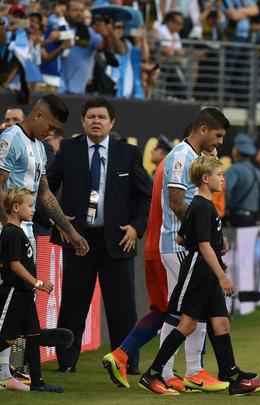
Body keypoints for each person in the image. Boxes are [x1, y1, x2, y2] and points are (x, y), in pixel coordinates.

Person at [140, 155, 260, 396]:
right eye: (219, 175)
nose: (223, 179)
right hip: (200, 270)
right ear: (205, 178)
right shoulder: (202, 206)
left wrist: (214, 243)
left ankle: (231, 374)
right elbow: (202, 245)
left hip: (208, 270)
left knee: (221, 322)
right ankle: (153, 373)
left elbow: (182, 237)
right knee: (188, 323)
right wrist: (222, 275)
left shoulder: (201, 206)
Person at [47, 97, 152, 373]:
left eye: (101, 117)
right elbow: (46, 189)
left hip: (118, 240)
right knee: (73, 304)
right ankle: (66, 363)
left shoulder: (128, 153)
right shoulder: (68, 150)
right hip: (78, 240)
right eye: (91, 116)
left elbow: (146, 198)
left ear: (112, 122)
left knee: (123, 309)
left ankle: (126, 363)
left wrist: (135, 228)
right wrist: (58, 221)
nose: (96, 121)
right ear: (82, 121)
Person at [0, 94, 89, 390]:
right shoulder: (10, 138)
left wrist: (71, 232)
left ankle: (13, 374)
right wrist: (8, 229)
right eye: (49, 125)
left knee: (23, 309)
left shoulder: (39, 148)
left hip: (26, 235)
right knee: (10, 307)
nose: (51, 133)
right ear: (37, 115)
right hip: (10, 236)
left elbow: (45, 195)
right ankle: (10, 373)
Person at [158, 108, 230, 392]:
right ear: (203, 129)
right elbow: (176, 201)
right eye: (218, 135)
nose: (220, 142)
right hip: (179, 244)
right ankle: (169, 371)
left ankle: (189, 370)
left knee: (188, 310)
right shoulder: (180, 157)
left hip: (190, 244)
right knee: (185, 312)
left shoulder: (198, 159)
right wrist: (205, 231)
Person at [102, 135, 172, 389]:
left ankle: (126, 356)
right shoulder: (175, 167)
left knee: (167, 311)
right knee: (180, 313)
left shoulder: (159, 170)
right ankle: (165, 372)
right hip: (169, 249)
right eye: (217, 138)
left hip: (156, 247)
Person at [0, 188, 74, 393]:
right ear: (15, 208)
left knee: (33, 337)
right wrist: (37, 283)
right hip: (14, 294)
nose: (33, 210)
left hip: (25, 296)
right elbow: (14, 265)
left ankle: (38, 382)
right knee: (6, 337)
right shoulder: (11, 232)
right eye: (29, 206)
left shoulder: (20, 232)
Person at [225, 133, 260, 227]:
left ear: (236, 151)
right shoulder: (256, 171)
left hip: (238, 217)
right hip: (253, 216)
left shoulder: (234, 169)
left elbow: (224, 189)